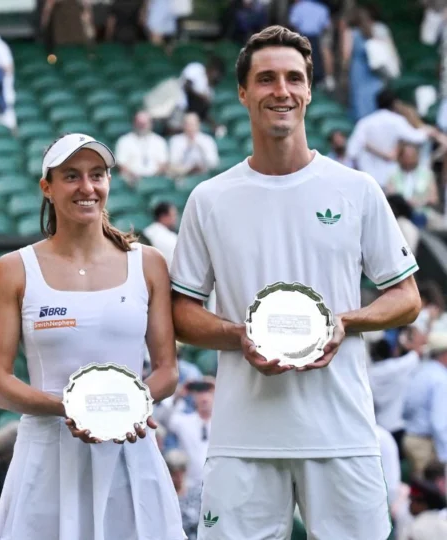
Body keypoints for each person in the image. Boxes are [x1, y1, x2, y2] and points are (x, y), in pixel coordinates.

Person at [169, 26, 422, 540]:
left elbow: (406, 298)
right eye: (266, 79)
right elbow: (183, 313)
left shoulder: (357, 189)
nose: (280, 91)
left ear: (308, 90)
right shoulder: (209, 199)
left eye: (293, 78)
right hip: (243, 436)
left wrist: (343, 323)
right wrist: (239, 335)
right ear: (243, 92)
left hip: (341, 431)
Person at [0, 133, 185, 539]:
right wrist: (73, 409)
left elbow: (167, 371)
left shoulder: (148, 263)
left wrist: (125, 408)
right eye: (72, 176)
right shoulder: (13, 268)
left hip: (130, 452)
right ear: (47, 187)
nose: (87, 187)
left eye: (97, 174)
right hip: (46, 459)